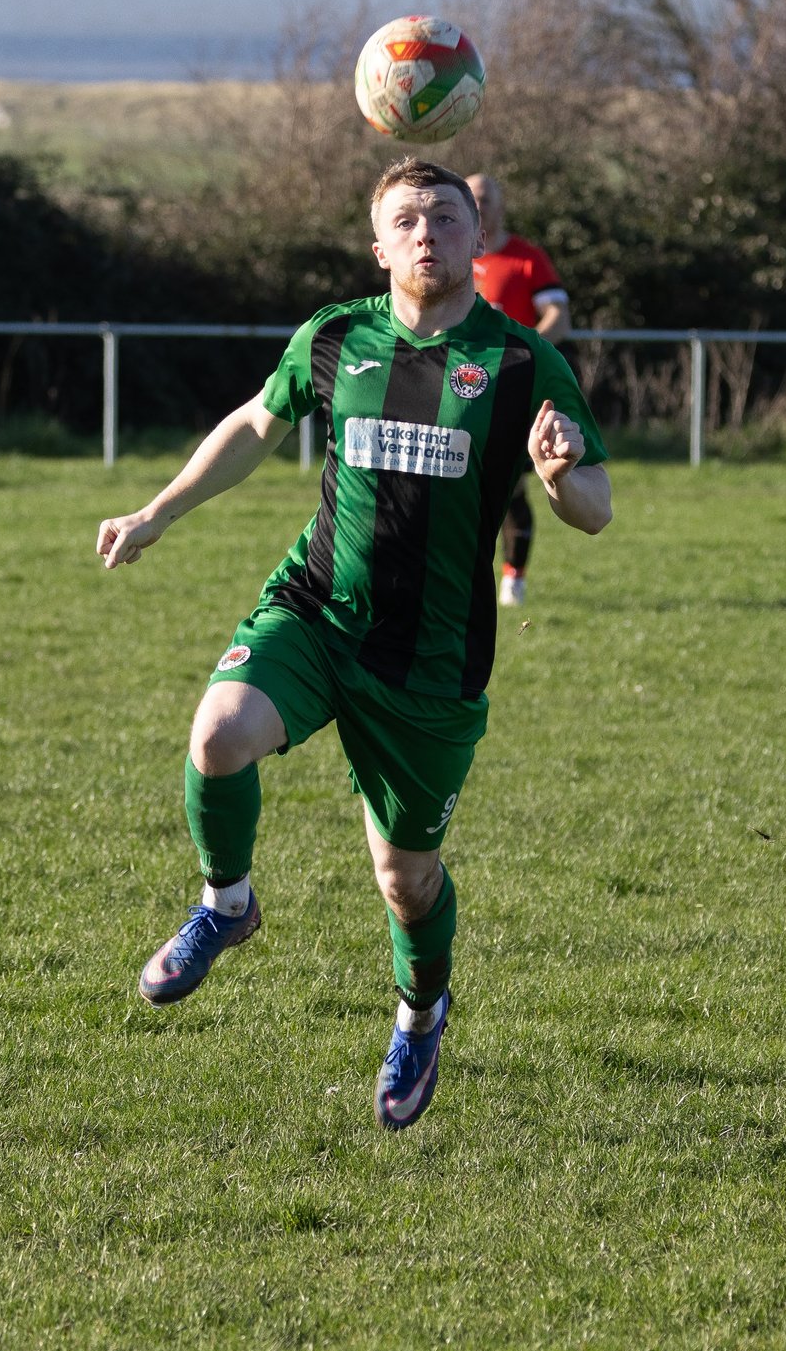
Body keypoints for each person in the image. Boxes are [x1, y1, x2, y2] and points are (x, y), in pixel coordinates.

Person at [95, 157, 612, 1131]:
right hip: (318, 612)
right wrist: (159, 512)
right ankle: (227, 901)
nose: (428, 234)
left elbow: (596, 510)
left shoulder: (520, 363)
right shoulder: (334, 336)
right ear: (379, 245)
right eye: (407, 219)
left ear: (476, 237)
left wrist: (558, 474)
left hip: (431, 662)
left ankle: (421, 1010)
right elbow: (256, 421)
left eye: (446, 217)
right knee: (216, 735)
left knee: (404, 880)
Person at [466, 172, 572, 607]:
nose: (479, 206)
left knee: (508, 486)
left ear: (501, 205)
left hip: (510, 391)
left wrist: (520, 356)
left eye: (486, 198)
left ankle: (513, 575)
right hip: (453, 391)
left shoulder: (527, 258)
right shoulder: (447, 259)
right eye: (470, 199)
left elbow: (558, 319)